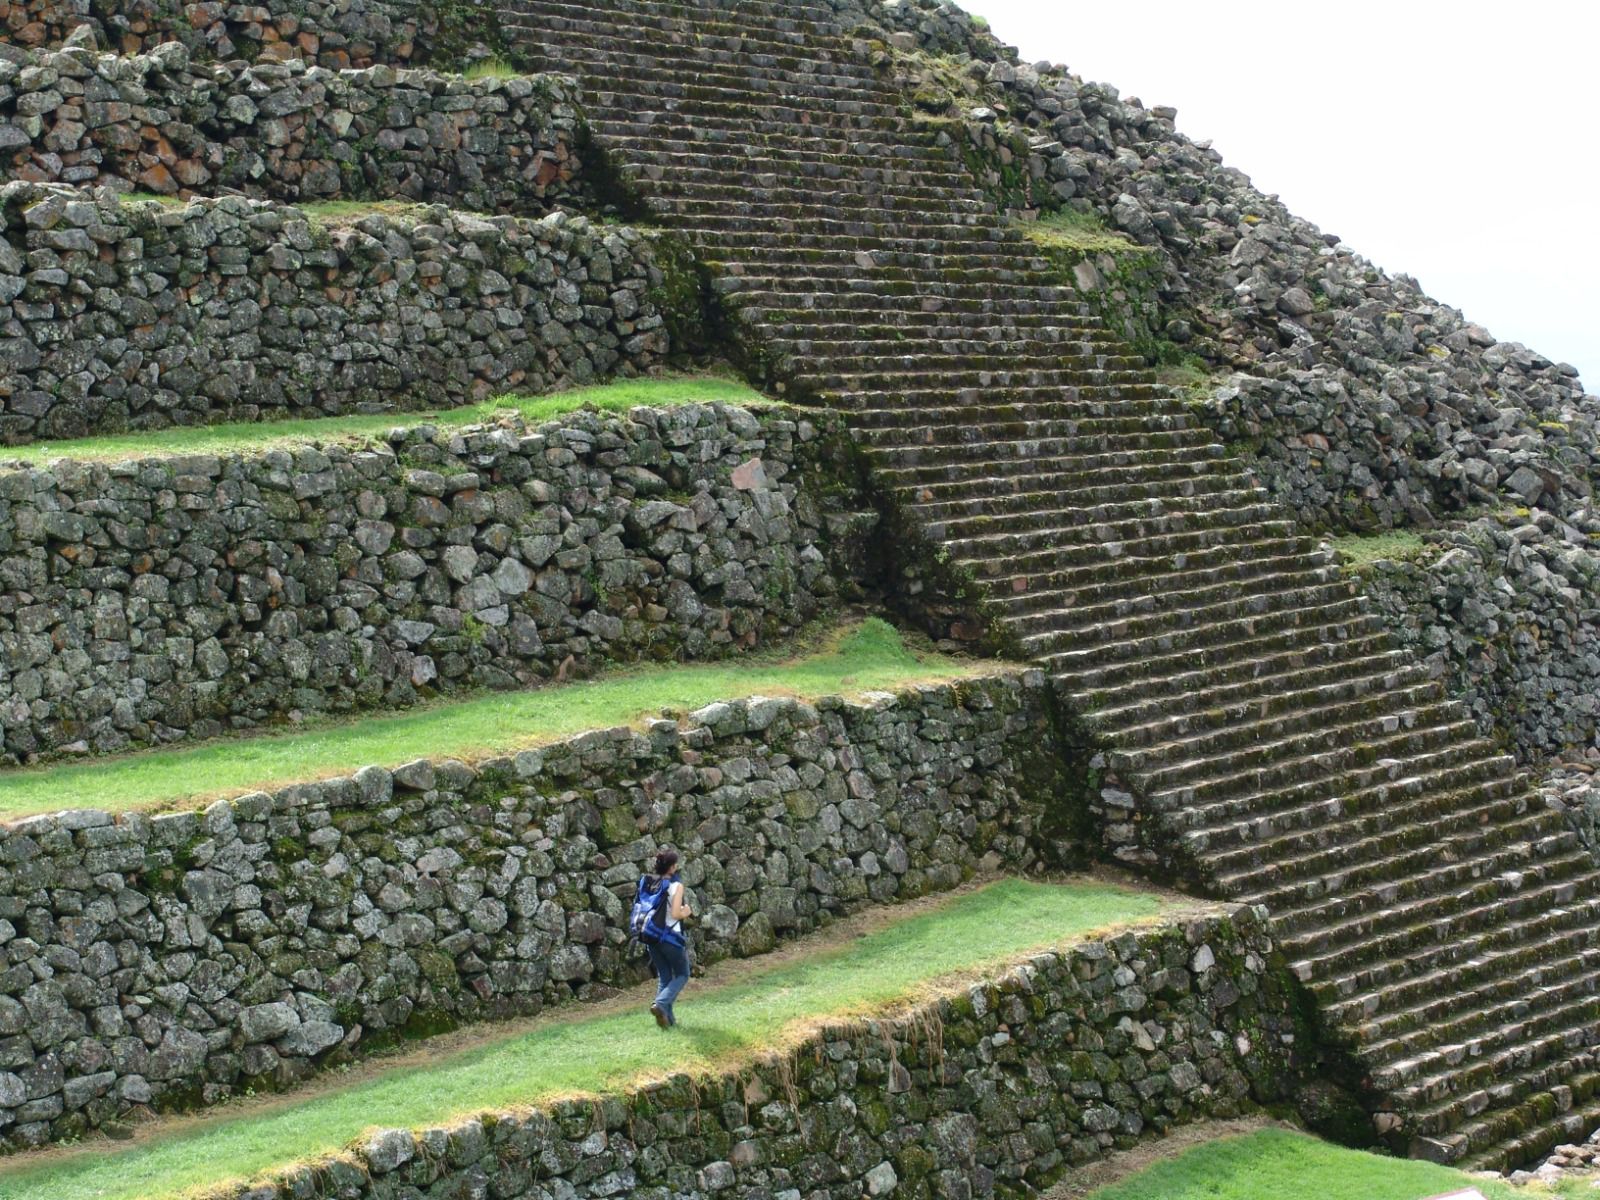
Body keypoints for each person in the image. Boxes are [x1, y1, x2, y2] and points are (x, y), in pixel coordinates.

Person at [640, 848, 692, 1027]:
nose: (676, 867)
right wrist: (686, 911)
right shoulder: (676, 886)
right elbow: (676, 912)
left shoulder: (649, 883)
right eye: (675, 864)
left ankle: (668, 1022)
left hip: (651, 937)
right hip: (670, 938)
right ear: (671, 867)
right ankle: (661, 1004)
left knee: (665, 977)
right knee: (683, 974)